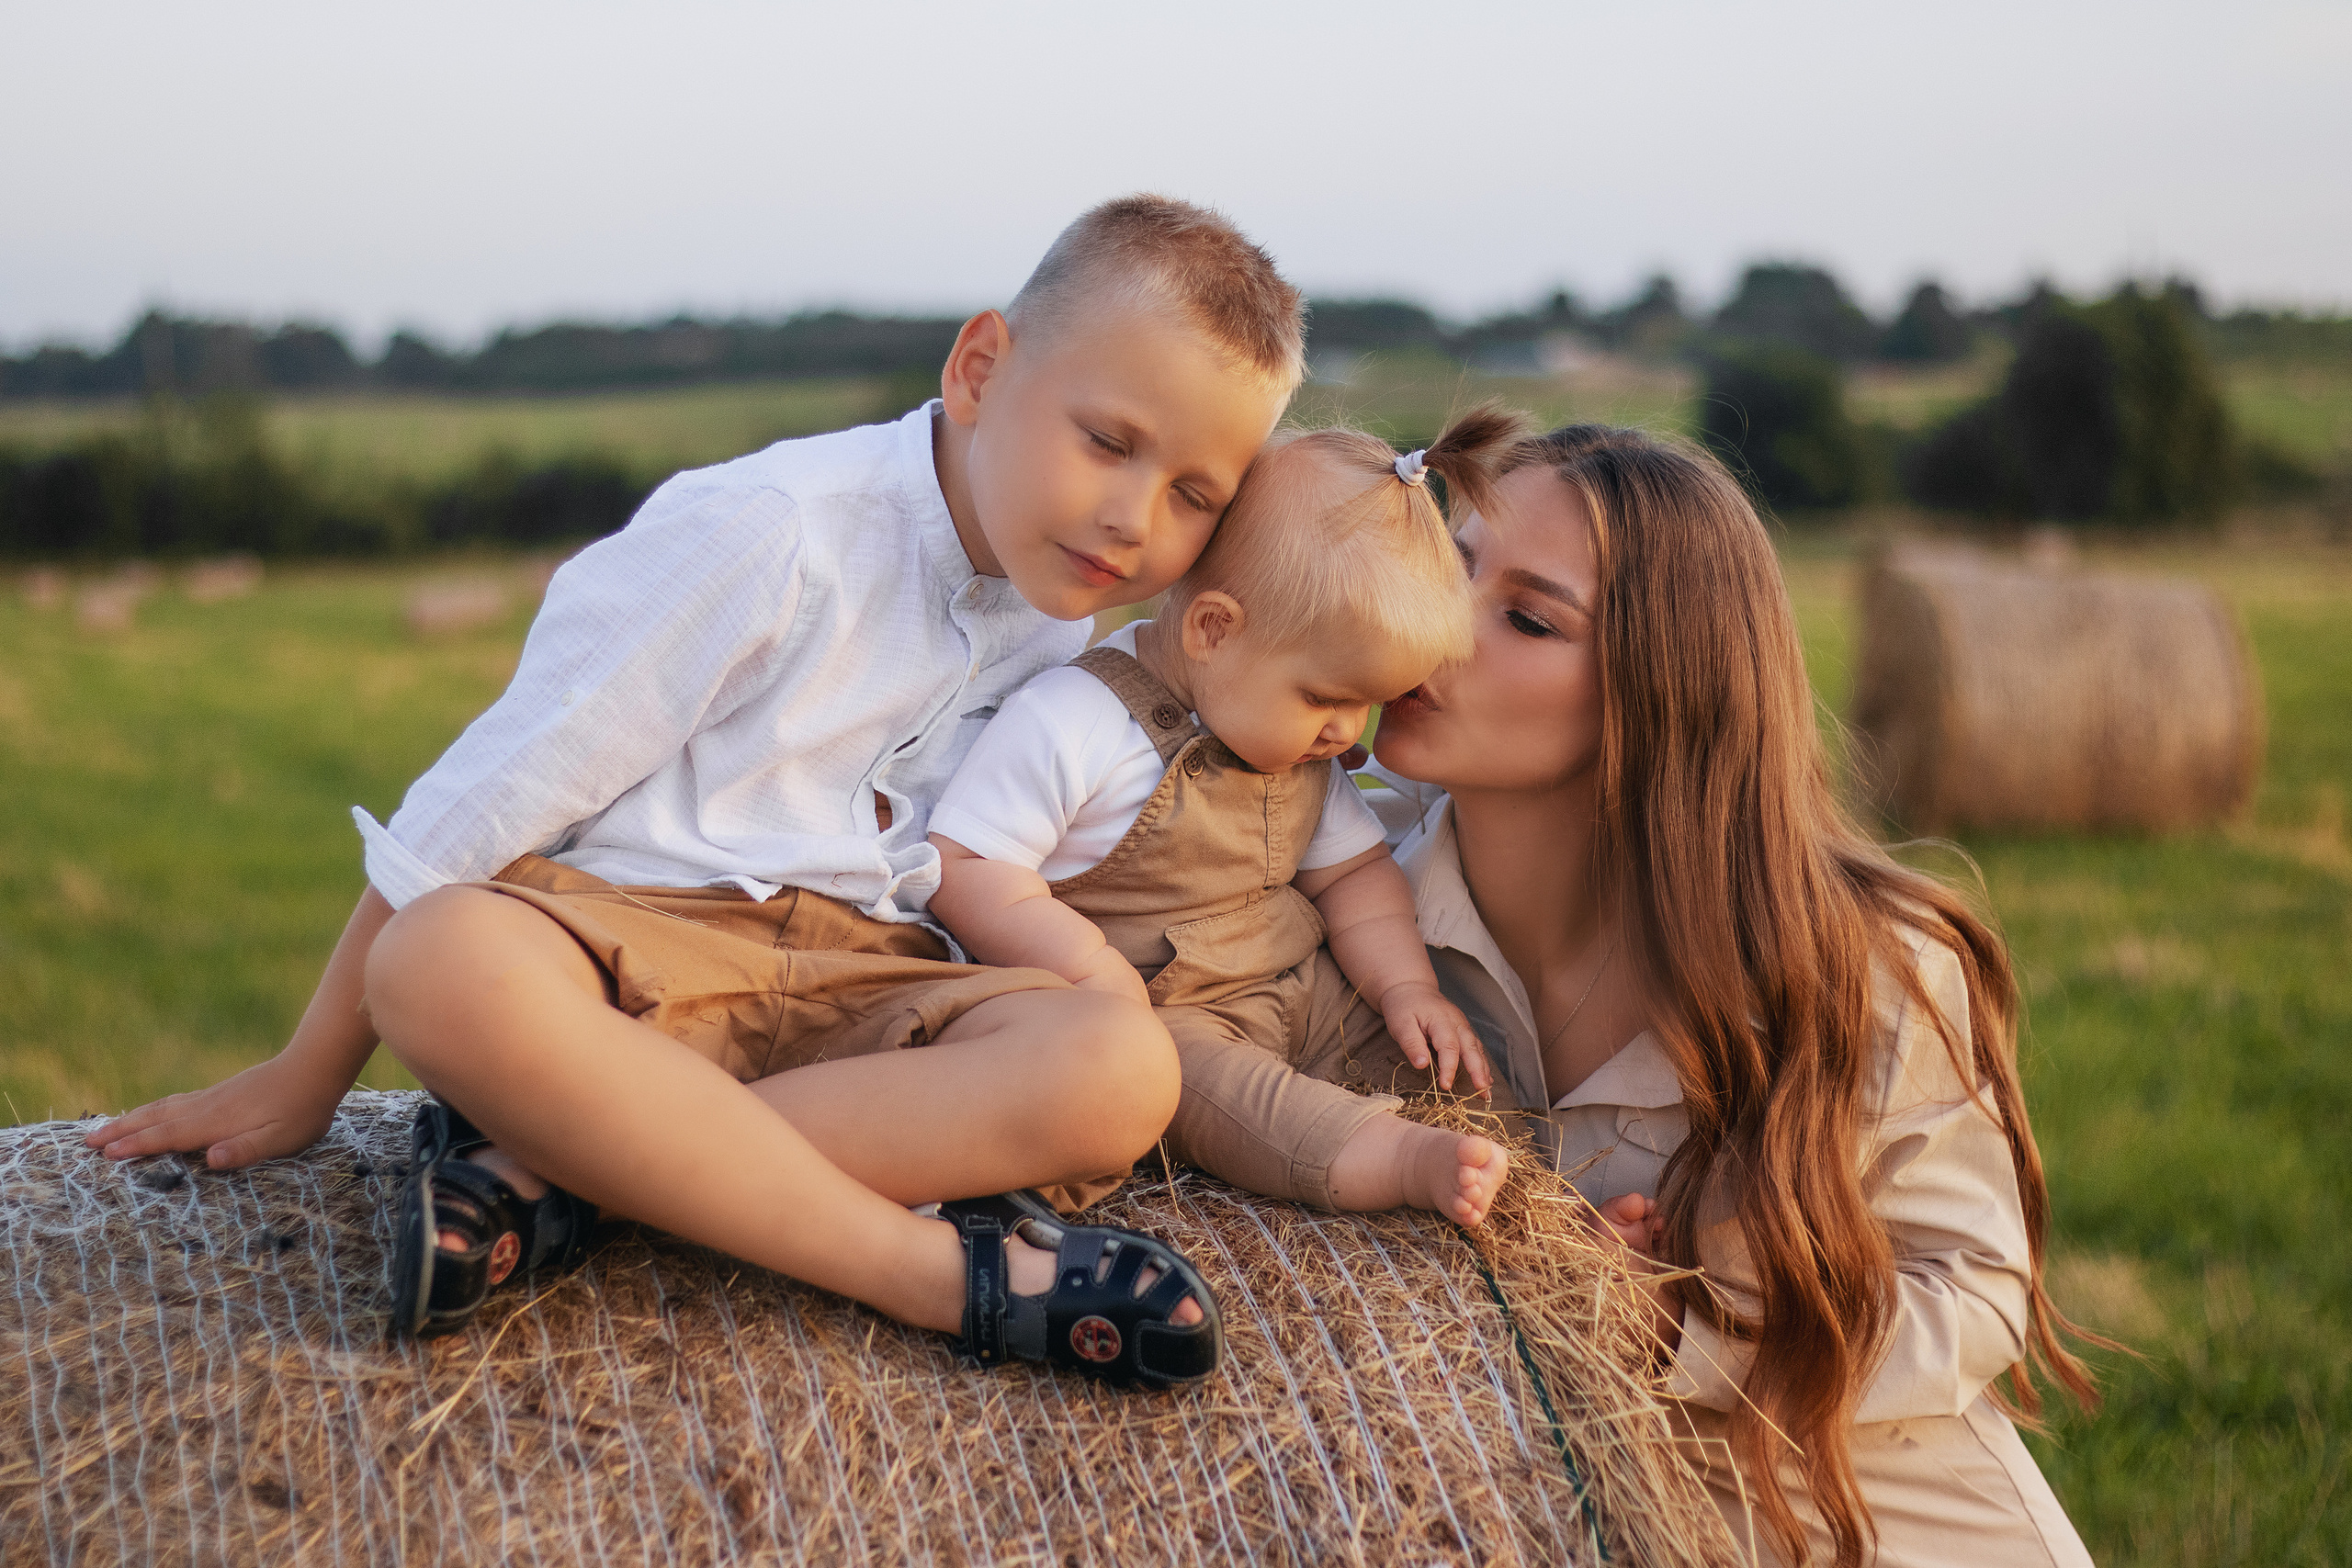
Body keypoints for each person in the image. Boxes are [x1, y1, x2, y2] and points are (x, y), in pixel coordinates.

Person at [85, 195, 1306, 1391]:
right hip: (634, 956)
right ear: (981, 367)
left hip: (865, 987)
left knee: (1122, 1066)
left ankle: (572, 1171)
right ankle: (931, 1271)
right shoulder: (772, 530)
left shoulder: (1070, 620)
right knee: (437, 958)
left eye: (1196, 493)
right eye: (1107, 441)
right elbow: (487, 800)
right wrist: (308, 1072)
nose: (1132, 517)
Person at [1355, 423, 2100, 1565]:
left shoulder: (1856, 962)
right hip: (1538, 1506)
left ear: (1659, 694)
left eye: (1527, 617)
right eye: (1453, 569)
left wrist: (1681, 1337)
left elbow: (1979, 1290)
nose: (1438, 628)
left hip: (1860, 1509)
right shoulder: (1336, 886)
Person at [924, 413, 1523, 1228]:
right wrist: (1092, 971)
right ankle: (1402, 1161)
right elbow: (966, 862)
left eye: (1366, 705)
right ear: (1214, 629)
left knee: (1450, 1069)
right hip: (1167, 1017)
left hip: (1303, 987)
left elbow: (1353, 875)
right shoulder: (1077, 719)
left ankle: (1539, 1194)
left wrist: (1405, 987)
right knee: (1224, 1098)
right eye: (1326, 697)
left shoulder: (1299, 748)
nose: (1349, 734)